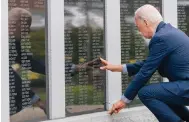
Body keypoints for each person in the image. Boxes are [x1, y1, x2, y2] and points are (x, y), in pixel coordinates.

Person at [100, 4, 189, 122]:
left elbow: (145, 72)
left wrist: (123, 100)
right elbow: (148, 64)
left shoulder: (161, 38)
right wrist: (118, 68)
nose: (139, 31)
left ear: (146, 22)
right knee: (162, 95)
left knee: (146, 93)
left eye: (138, 27)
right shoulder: (169, 32)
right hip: (185, 85)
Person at [9, 8, 46, 115]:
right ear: (18, 24)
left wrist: (73, 67)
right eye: (27, 26)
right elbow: (6, 74)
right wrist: (36, 100)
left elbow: (31, 63)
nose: (28, 32)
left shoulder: (12, 42)